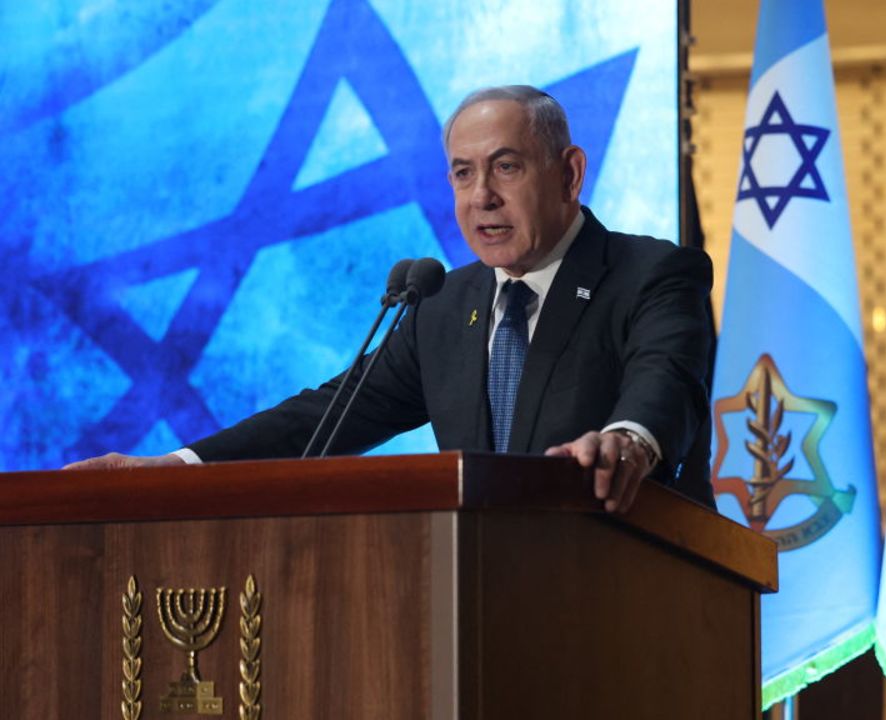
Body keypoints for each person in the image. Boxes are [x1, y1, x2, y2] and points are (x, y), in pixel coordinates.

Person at [66, 85, 715, 512]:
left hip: (626, 603)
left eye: (506, 166)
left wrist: (628, 442)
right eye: (463, 173)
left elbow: (666, 381)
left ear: (569, 172)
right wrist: (177, 467)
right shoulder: (442, 305)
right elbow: (324, 419)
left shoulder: (652, 274)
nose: (480, 196)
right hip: (485, 603)